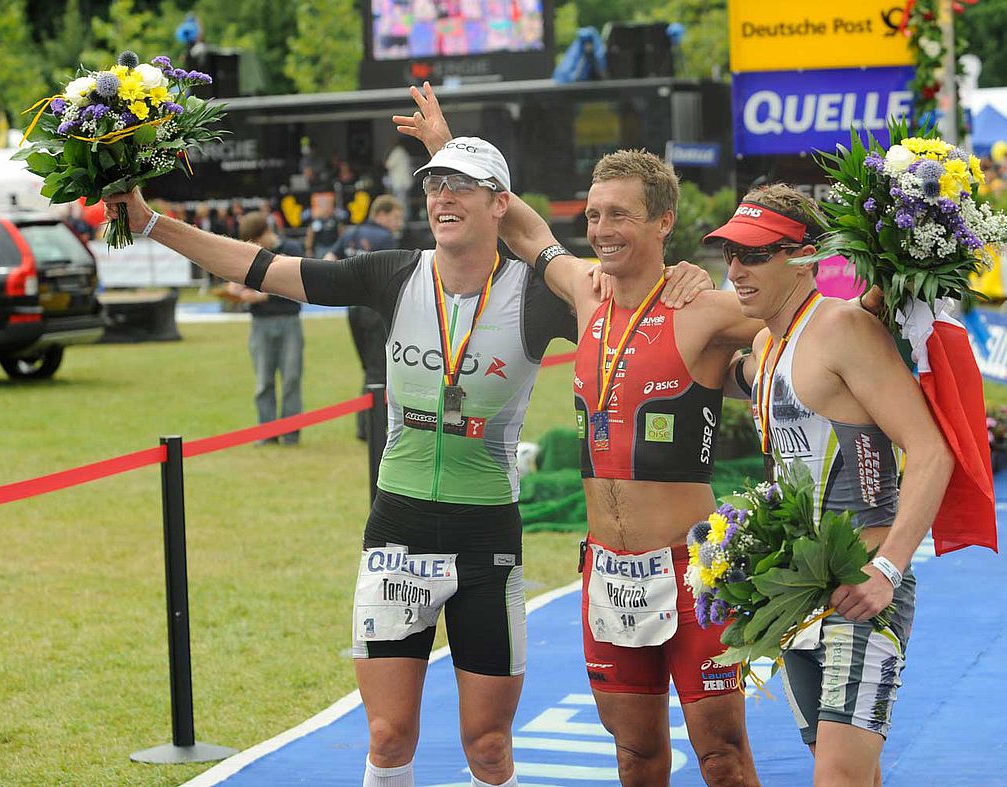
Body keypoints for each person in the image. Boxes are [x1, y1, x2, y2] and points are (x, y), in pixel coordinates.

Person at [104, 136, 709, 787]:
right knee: (389, 738)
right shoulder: (392, 273)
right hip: (398, 533)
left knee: (488, 746)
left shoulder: (539, 296)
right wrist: (151, 223)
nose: (442, 197)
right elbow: (264, 267)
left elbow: (625, 291)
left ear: (499, 204)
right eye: (434, 185)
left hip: (487, 541)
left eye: (461, 186)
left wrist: (685, 275)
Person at [396, 83, 763, 786]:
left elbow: (800, 307)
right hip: (608, 573)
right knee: (635, 754)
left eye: (619, 215)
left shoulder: (706, 309)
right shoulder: (584, 288)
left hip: (694, 571)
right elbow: (525, 229)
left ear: (664, 222)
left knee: (720, 753)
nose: (601, 230)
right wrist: (450, 152)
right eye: (593, 215)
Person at [711, 184, 956, 787]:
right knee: (849, 773)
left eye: (754, 254)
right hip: (796, 593)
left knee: (838, 778)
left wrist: (889, 570)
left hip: (862, 586)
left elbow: (930, 451)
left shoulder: (843, 327)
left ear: (806, 256)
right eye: (729, 255)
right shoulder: (768, 344)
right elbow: (722, 373)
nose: (736, 269)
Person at [325, 195, 405, 441]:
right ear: (381, 214)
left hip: (352, 307)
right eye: (395, 217)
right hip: (374, 309)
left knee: (369, 368)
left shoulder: (351, 233)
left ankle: (366, 425)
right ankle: (369, 428)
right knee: (378, 371)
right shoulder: (385, 239)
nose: (398, 223)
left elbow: (329, 260)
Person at [228, 212, 305, 446]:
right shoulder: (251, 253)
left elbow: (295, 282)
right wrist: (235, 289)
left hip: (288, 320)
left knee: (291, 379)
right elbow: (237, 277)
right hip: (260, 324)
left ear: (265, 234)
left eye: (255, 241)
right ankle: (267, 432)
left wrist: (261, 297)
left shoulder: (291, 247)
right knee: (263, 381)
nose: (254, 247)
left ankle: (291, 434)